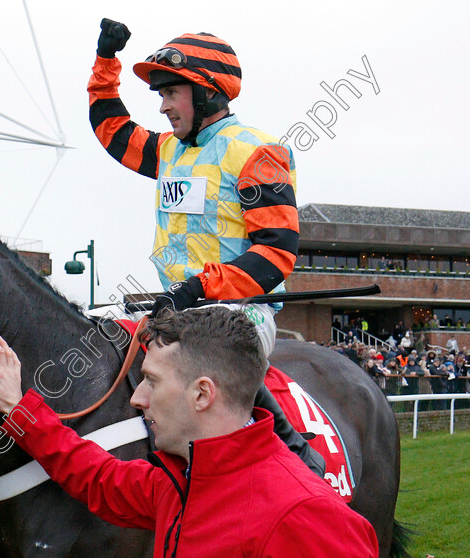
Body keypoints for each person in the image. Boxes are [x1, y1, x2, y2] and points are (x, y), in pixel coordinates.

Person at [88, 20, 324, 475]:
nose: (162, 107)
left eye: (170, 93)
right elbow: (112, 129)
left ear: (207, 93)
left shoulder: (257, 152)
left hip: (240, 311)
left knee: (200, 345)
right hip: (178, 307)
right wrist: (105, 61)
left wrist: (198, 289)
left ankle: (297, 455)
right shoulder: (170, 151)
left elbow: (276, 252)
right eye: (160, 95)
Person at [0, 307, 379, 557]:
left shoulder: (308, 518)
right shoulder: (177, 482)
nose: (137, 398)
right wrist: (20, 410)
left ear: (202, 394)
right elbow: (96, 476)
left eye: (152, 381)